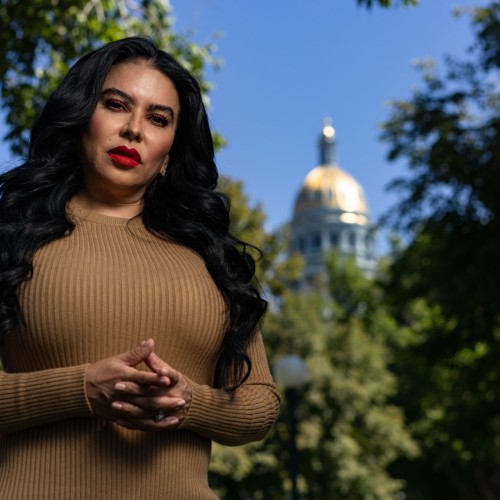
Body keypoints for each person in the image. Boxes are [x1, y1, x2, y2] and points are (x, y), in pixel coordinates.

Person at [0, 37, 280, 499]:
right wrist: (80, 389)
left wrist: (189, 401)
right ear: (81, 116)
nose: (133, 130)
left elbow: (259, 406)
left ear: (170, 150)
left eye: (157, 119)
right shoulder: (13, 237)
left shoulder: (212, 259)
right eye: (115, 105)